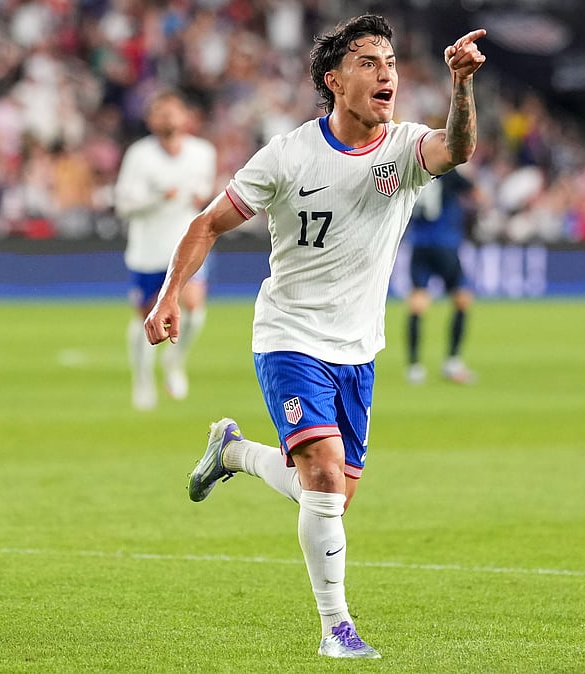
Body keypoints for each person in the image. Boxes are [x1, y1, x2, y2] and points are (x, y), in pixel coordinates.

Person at [144, 15, 486, 659]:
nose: (386, 71)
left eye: (389, 60)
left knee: (326, 492)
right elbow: (206, 223)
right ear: (334, 81)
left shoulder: (405, 148)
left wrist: (462, 84)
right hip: (290, 334)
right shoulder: (287, 156)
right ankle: (337, 629)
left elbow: (459, 148)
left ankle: (236, 452)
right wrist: (169, 297)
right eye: (368, 61)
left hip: (359, 347)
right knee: (324, 476)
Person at [115, 89, 216, 411]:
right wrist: (160, 198)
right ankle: (143, 376)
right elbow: (124, 205)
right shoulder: (139, 155)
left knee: (195, 310)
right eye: (161, 112)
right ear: (150, 120)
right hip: (148, 249)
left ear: (186, 117)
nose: (168, 117)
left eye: (173, 111)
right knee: (147, 316)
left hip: (187, 245)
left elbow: (205, 194)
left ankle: (174, 360)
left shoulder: (203, 152)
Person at [404, 165, 478, 385]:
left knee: (417, 302)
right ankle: (452, 362)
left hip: (419, 243)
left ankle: (414, 367)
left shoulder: (415, 168)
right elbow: (476, 193)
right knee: (462, 299)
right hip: (444, 243)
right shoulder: (449, 172)